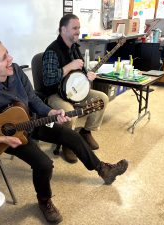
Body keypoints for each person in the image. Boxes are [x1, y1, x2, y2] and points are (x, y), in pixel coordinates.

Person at [0, 38, 128, 224]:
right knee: (44, 164)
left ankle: (103, 169)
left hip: (30, 122)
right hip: (9, 137)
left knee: (70, 135)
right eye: (4, 57)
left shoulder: (15, 70)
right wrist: (1, 140)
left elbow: (32, 98)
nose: (11, 58)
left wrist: (51, 112)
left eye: (8, 53)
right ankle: (44, 201)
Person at [42, 14, 109, 164]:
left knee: (102, 99)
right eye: (74, 28)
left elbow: (80, 73)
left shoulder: (74, 47)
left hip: (75, 91)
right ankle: (68, 143)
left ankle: (86, 132)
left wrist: (88, 75)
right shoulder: (52, 51)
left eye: (79, 27)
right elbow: (48, 81)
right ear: (63, 29)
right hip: (55, 94)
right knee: (70, 114)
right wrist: (67, 67)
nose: (78, 31)